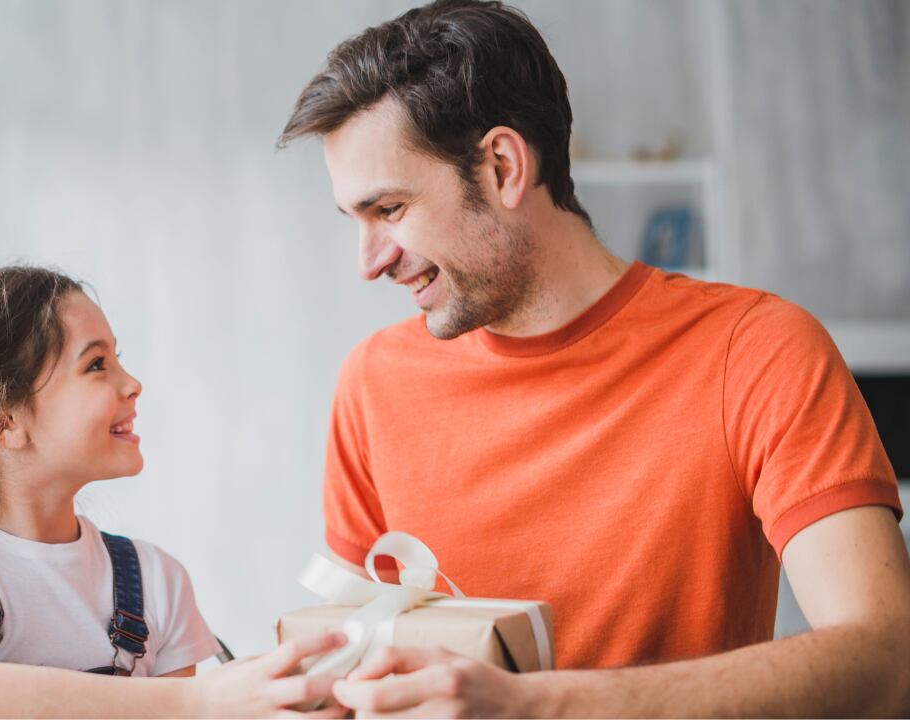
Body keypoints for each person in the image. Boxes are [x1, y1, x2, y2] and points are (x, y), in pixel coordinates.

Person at [277, 0, 910, 716]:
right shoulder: (372, 383)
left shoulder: (757, 350)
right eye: (354, 220)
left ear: (503, 166)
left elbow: (886, 661)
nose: (368, 264)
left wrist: (535, 706)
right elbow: (363, 649)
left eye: (388, 211)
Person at [0, 266, 344, 718]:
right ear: (4, 422)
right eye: (96, 364)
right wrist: (192, 702)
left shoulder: (157, 580)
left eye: (117, 358)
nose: (132, 383)